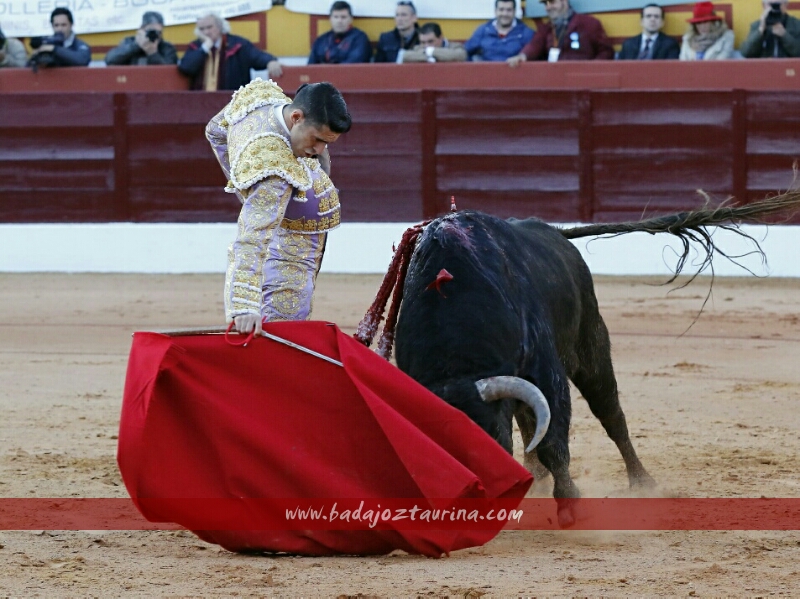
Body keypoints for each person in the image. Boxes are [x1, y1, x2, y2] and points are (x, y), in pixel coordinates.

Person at [205, 80, 352, 334]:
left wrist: (243, 178)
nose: (319, 150)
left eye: (326, 143)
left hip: (293, 238)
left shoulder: (263, 98)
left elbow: (215, 129)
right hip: (289, 250)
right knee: (283, 330)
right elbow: (251, 238)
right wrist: (245, 305)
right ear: (296, 118)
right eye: (317, 139)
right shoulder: (274, 171)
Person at [179, 13, 283, 91]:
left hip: (233, 102)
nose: (206, 32)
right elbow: (186, 67)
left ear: (220, 27)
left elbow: (257, 57)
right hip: (201, 102)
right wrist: (205, 48)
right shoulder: (196, 46)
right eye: (202, 29)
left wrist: (270, 61)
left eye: (209, 27)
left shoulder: (238, 44)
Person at [508, 0, 613, 65]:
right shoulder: (546, 28)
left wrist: (591, 69)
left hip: (582, 81)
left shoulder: (589, 24)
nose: (548, 7)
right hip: (554, 80)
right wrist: (523, 56)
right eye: (545, 3)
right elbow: (535, 45)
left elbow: (606, 52)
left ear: (564, 1)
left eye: (552, 2)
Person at [464, 0, 534, 62]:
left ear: (514, 11)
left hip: (514, 71)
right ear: (495, 11)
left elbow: (533, 55)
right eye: (501, 9)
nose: (505, 14)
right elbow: (466, 51)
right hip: (486, 71)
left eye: (509, 10)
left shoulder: (526, 32)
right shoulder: (483, 30)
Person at [308, 1, 372, 64]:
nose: (339, 21)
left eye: (343, 17)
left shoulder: (359, 39)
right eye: (336, 17)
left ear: (350, 19)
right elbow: (310, 67)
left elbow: (353, 65)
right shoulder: (321, 40)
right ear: (330, 19)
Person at [104, 11, 178, 66]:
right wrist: (137, 45)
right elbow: (110, 60)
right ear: (141, 29)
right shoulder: (129, 42)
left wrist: (153, 53)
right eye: (151, 31)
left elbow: (167, 73)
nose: (155, 35)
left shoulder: (167, 48)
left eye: (158, 32)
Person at [401, 22, 468, 63]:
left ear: (441, 38)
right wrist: (431, 57)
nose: (426, 46)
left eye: (430, 41)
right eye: (423, 42)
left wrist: (431, 52)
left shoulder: (455, 47)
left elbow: (460, 55)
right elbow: (405, 56)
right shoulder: (418, 48)